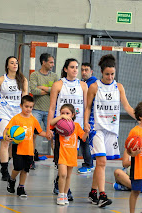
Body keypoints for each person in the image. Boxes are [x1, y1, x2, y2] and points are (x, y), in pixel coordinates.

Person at [85, 54, 135, 207]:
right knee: (101, 161)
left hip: (111, 130)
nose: (110, 76)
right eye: (107, 74)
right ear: (101, 72)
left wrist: (140, 118)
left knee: (101, 164)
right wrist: (86, 123)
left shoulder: (118, 87)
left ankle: (93, 192)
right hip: (97, 128)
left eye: (112, 74)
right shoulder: (94, 87)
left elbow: (126, 106)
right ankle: (102, 195)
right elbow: (87, 107)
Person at [47, 58, 88, 201]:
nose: (76, 70)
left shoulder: (83, 85)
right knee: (61, 160)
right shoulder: (58, 84)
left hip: (75, 128)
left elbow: (86, 107)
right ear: (65, 69)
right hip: (61, 128)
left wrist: (86, 124)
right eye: (72, 67)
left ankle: (63, 186)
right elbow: (52, 107)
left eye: (77, 67)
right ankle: (62, 189)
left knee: (70, 161)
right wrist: (49, 128)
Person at [5, 95, 47, 197]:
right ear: (21, 106)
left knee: (25, 169)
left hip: (29, 150)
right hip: (18, 148)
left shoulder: (33, 120)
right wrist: (6, 137)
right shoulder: (16, 119)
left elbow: (39, 131)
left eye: (30, 107)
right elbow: (7, 129)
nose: (28, 109)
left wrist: (48, 135)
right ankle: (12, 179)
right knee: (18, 167)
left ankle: (21, 187)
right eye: (26, 106)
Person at [50, 104, 88, 205]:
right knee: (62, 174)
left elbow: (83, 137)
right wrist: (61, 117)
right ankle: (60, 195)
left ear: (73, 114)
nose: (65, 115)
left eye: (67, 113)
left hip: (72, 155)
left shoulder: (76, 126)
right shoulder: (58, 125)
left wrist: (87, 132)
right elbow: (51, 123)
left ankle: (65, 194)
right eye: (63, 113)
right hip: (61, 154)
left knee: (68, 176)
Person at [29, 53, 58, 169]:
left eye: (53, 62)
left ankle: (57, 161)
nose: (52, 64)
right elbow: (34, 91)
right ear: (43, 62)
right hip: (36, 110)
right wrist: (51, 90)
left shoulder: (55, 76)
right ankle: (30, 160)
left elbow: (57, 90)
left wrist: (42, 87)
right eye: (50, 62)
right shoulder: (34, 75)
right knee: (32, 135)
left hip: (50, 111)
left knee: (52, 137)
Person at [78, 62, 97, 174]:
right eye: (82, 70)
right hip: (82, 116)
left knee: (86, 140)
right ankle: (88, 163)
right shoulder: (82, 83)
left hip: (91, 118)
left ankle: (89, 164)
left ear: (91, 71)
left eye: (86, 70)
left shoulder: (93, 84)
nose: (84, 72)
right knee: (83, 140)